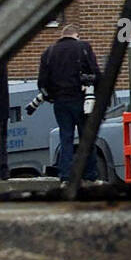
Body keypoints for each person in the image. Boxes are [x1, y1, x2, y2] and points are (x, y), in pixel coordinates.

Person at [37, 25, 101, 181]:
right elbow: (96, 74)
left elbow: (42, 82)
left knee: (65, 137)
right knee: (86, 137)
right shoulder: (83, 47)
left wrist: (52, 96)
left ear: (62, 35)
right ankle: (89, 173)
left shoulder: (49, 52)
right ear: (76, 35)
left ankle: (65, 175)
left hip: (60, 102)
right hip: (81, 100)